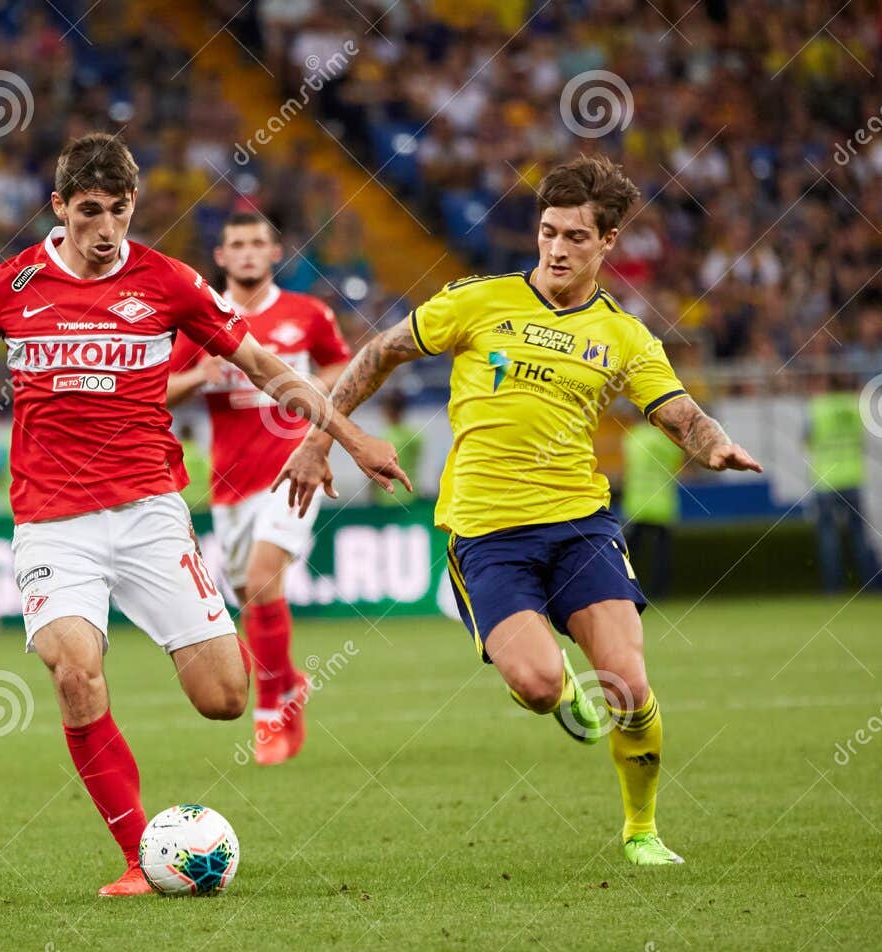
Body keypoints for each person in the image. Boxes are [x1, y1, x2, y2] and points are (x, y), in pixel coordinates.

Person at [0, 134, 407, 895]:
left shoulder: (169, 281)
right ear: (58, 208)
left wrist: (348, 436)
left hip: (151, 512)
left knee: (224, 699)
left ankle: (252, 667)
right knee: (77, 675)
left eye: (119, 211)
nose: (107, 228)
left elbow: (262, 365)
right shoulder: (10, 283)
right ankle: (133, 857)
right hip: (52, 523)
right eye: (90, 211)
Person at [277, 155, 762, 867]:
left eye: (574, 237)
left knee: (628, 682)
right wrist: (322, 439)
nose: (557, 249)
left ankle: (641, 830)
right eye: (548, 232)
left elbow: (680, 411)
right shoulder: (478, 301)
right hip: (486, 532)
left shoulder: (623, 337)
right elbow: (381, 352)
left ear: (608, 243)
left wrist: (714, 443)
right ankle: (562, 687)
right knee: (537, 687)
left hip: (580, 526)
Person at [166, 212, 353, 765]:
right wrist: (201, 375)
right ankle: (289, 679)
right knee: (251, 596)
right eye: (236, 244)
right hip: (229, 482)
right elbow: (159, 389)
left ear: (275, 253)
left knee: (264, 575)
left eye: (257, 243)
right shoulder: (201, 318)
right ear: (220, 257)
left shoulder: (308, 313)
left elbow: (343, 363)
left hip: (293, 467)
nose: (247, 253)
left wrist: (314, 385)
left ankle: (272, 713)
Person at [805, 381, 873, 593]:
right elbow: (862, 439)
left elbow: (806, 440)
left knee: (828, 536)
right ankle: (869, 586)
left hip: (826, 480)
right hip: (852, 478)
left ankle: (834, 589)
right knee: (859, 534)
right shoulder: (855, 406)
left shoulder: (817, 408)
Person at [620, 407, 682, 599]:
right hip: (662, 502)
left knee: (630, 553)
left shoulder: (632, 437)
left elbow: (629, 463)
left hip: (636, 503)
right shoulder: (667, 440)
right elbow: (676, 460)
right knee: (661, 554)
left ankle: (626, 590)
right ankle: (659, 593)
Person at [375, 391, 425, 506]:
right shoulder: (416, 436)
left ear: (389, 409)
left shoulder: (384, 439)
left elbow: (375, 472)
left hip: (388, 498)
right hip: (412, 494)